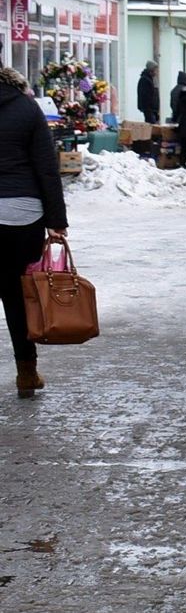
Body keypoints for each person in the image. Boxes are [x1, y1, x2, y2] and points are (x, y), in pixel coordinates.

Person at [0, 67, 69, 399]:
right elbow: (46, 166)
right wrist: (57, 218)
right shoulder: (27, 107)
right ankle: (26, 373)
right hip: (22, 215)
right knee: (19, 294)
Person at [136, 60, 160, 125]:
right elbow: (145, 97)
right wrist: (149, 109)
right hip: (149, 110)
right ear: (151, 70)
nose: (156, 72)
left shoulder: (150, 79)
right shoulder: (145, 80)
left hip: (152, 110)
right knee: (151, 127)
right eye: (155, 70)